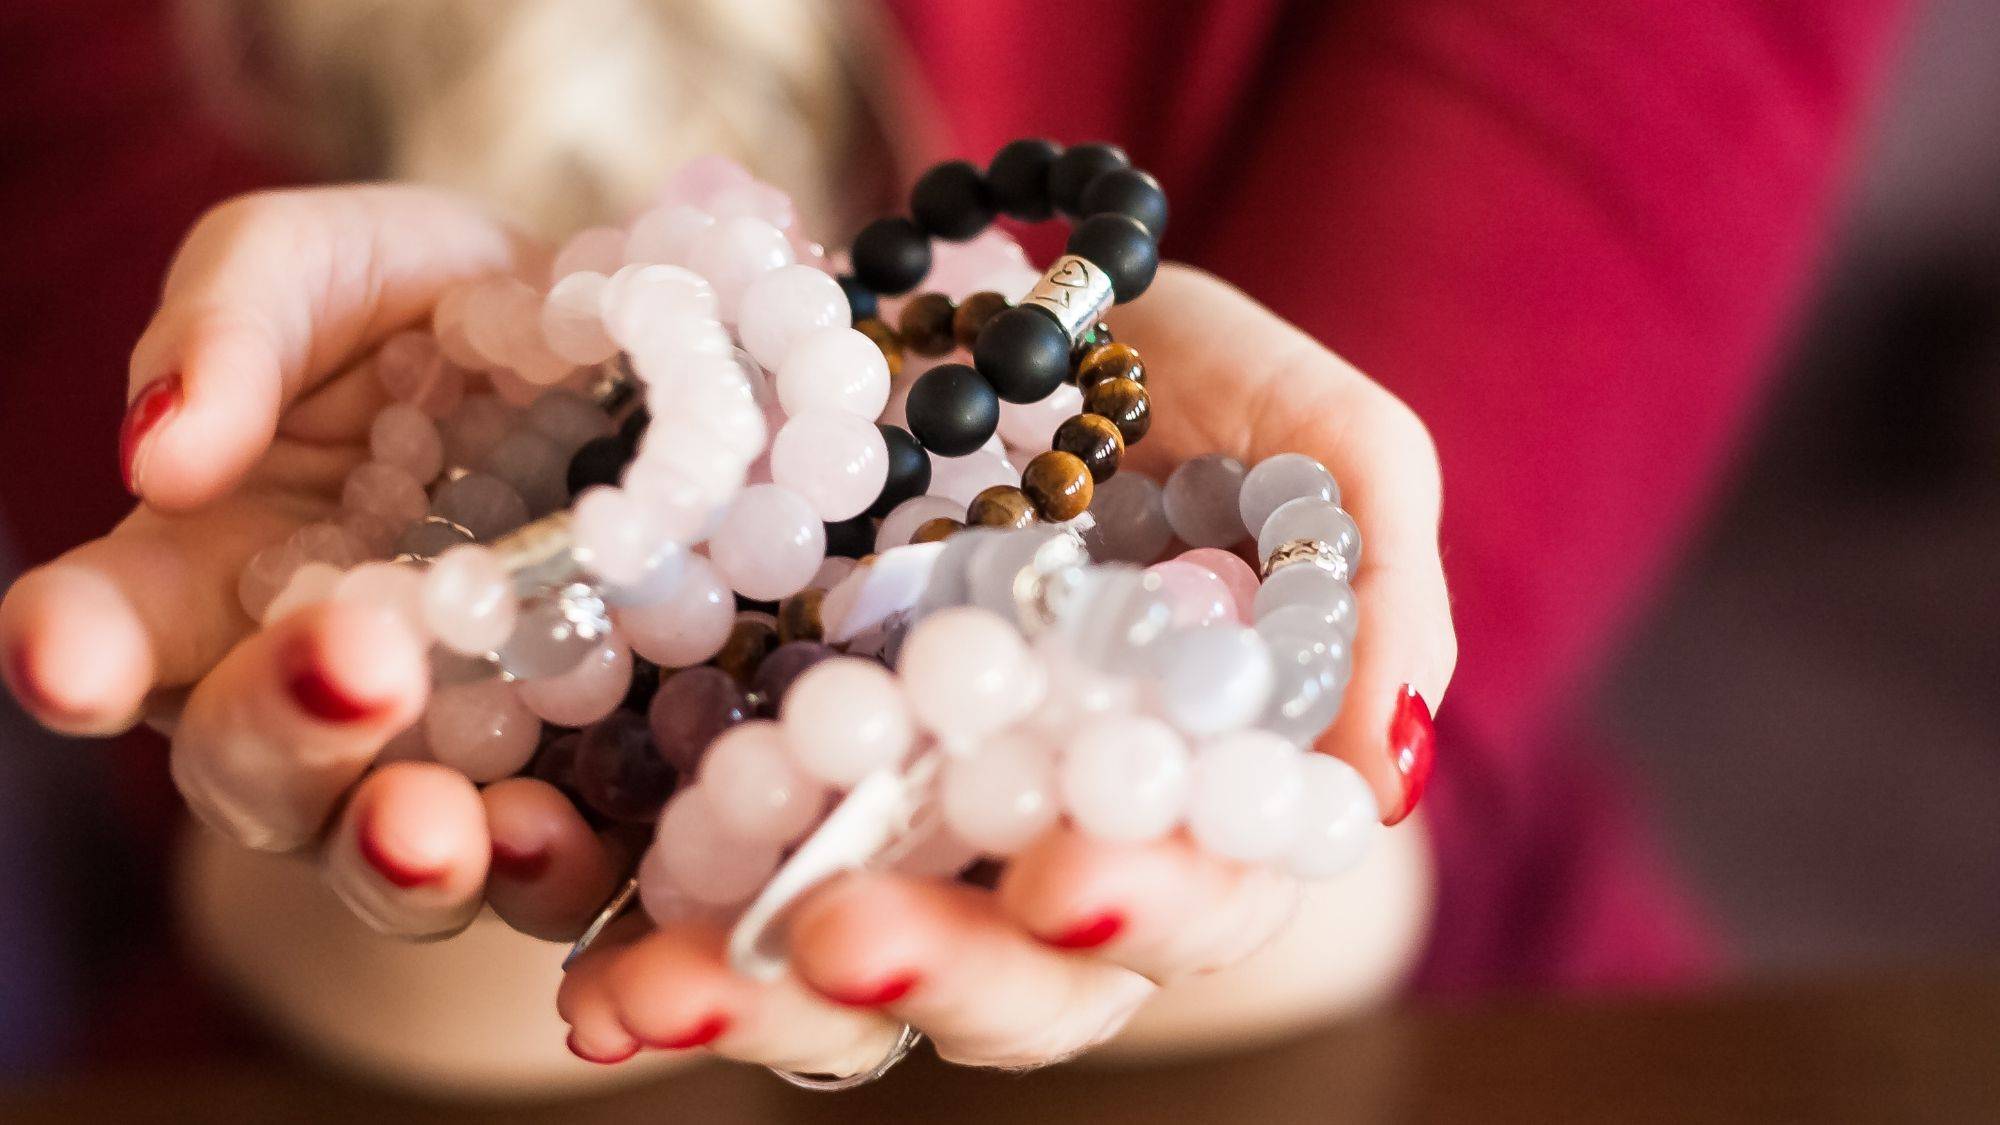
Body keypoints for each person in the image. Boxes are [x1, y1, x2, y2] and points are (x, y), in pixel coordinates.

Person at [0, 0, 1906, 1093]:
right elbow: (278, 806)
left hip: (1444, 1040)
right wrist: (425, 739)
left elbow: (1367, 707)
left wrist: (1176, 788)